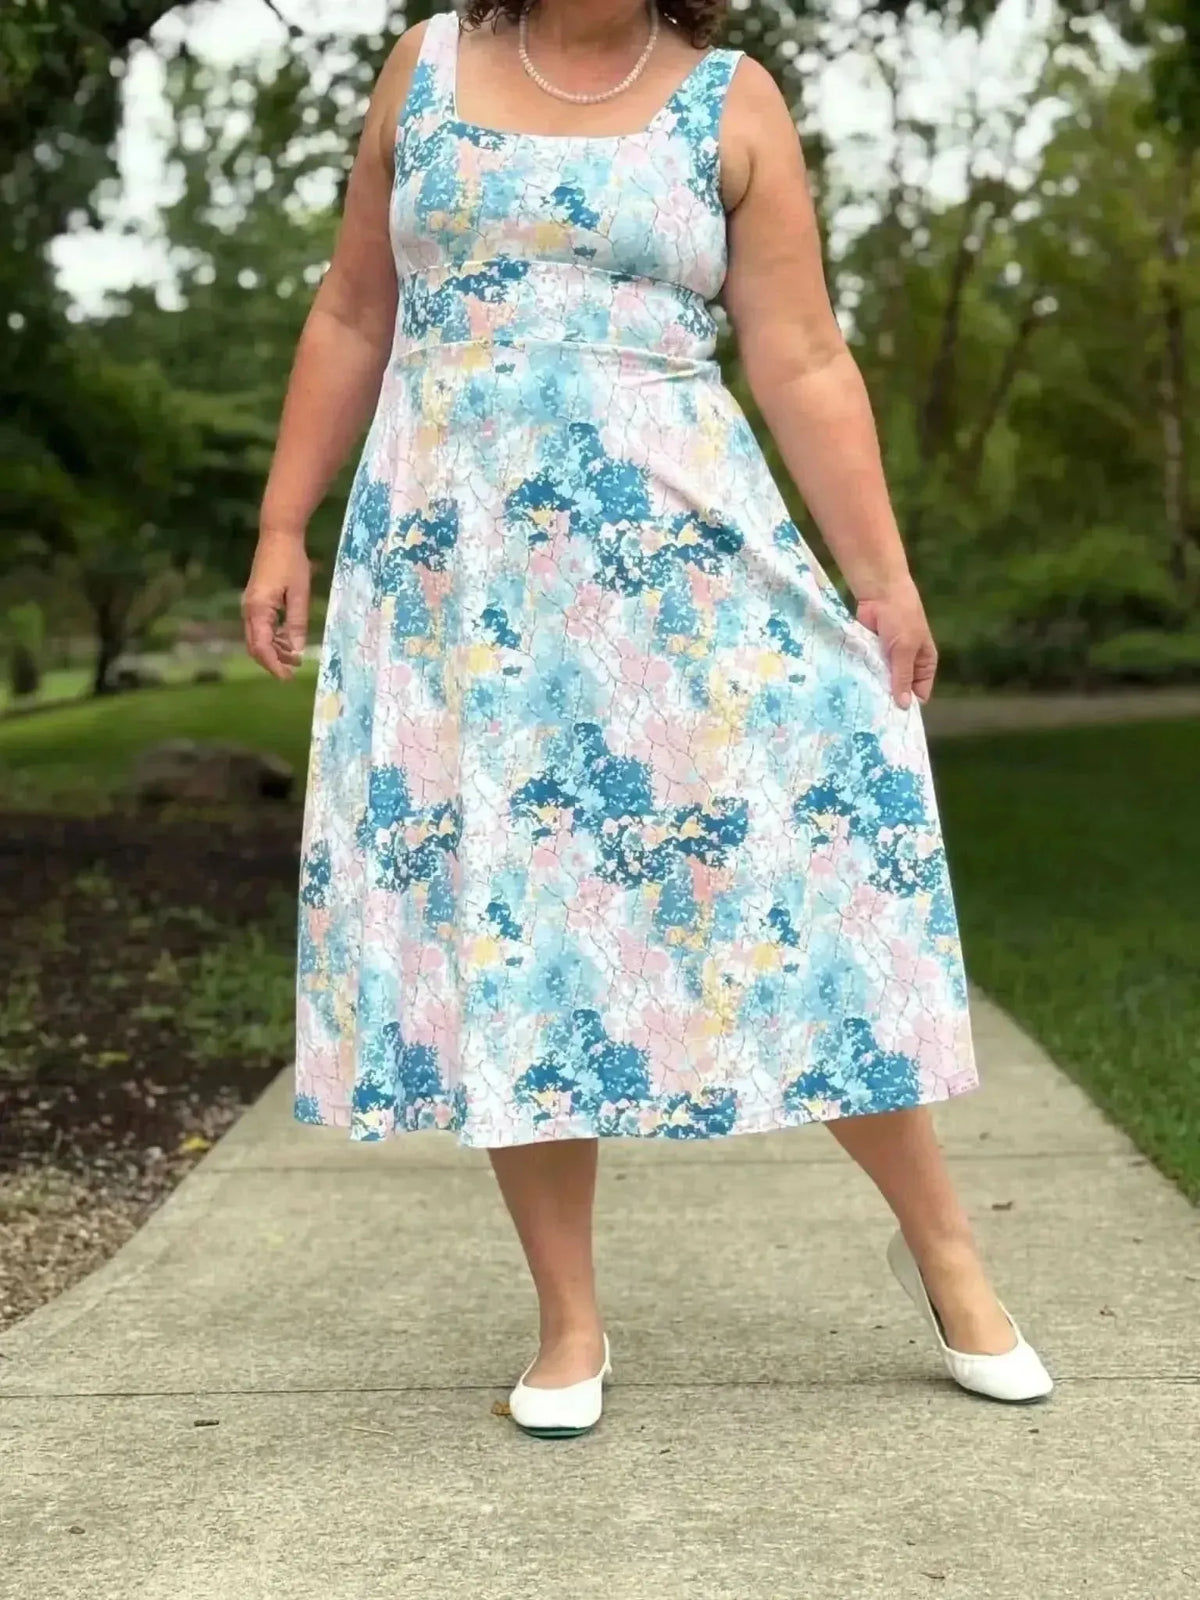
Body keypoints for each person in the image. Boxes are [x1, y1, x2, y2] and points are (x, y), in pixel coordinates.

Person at [243, 0, 1051, 1438]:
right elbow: (356, 307)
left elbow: (800, 357)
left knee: (807, 878)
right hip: (458, 571)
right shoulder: (419, 68)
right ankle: (568, 1320)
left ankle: (944, 1250)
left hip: (679, 559)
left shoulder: (734, 103)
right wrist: (281, 519)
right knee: (515, 908)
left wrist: (884, 577)